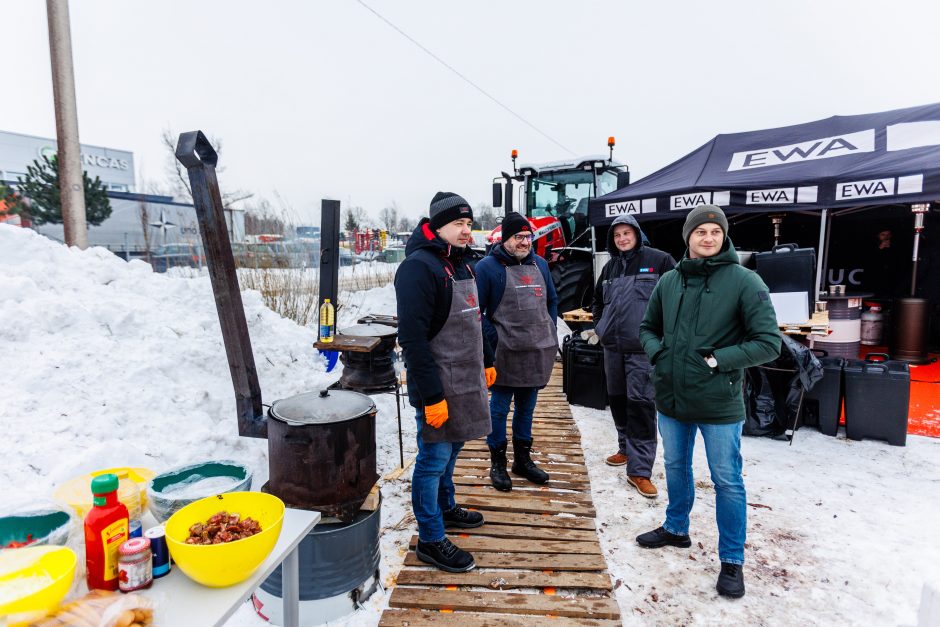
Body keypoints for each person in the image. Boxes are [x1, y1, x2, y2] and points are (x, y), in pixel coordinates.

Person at [636, 205, 780, 599]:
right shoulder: (669, 280)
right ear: (688, 237)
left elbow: (768, 343)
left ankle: (732, 560)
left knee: (727, 480)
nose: (708, 237)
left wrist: (719, 360)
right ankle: (676, 527)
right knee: (675, 465)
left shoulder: (745, 282)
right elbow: (648, 327)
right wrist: (658, 354)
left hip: (718, 403)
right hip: (671, 398)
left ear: (724, 236)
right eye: (701, 231)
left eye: (716, 231)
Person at [395, 191, 498, 573]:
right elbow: (413, 339)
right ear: (436, 225)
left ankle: (446, 506)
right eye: (458, 223)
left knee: (452, 451)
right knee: (433, 458)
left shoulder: (463, 265)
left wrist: (487, 359)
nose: (466, 230)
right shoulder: (418, 268)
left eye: (469, 223)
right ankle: (431, 538)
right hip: (437, 383)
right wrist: (432, 396)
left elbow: (475, 319)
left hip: (467, 378)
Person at [591, 214, 675, 498]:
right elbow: (596, 300)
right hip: (613, 347)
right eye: (617, 235)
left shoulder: (660, 260)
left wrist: (663, 337)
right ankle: (625, 449)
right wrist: (600, 327)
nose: (622, 239)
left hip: (642, 350)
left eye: (627, 233)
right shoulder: (611, 267)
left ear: (637, 234)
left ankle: (640, 471)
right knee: (617, 400)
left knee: (640, 407)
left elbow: (674, 300)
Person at [475, 212, 558, 491]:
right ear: (505, 239)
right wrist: (494, 338)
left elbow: (552, 302)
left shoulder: (541, 265)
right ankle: (497, 462)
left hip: (535, 351)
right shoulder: (487, 268)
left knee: (527, 409)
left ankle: (522, 460)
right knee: (498, 410)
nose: (525, 242)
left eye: (528, 236)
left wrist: (548, 330)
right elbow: (478, 312)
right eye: (518, 237)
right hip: (504, 353)